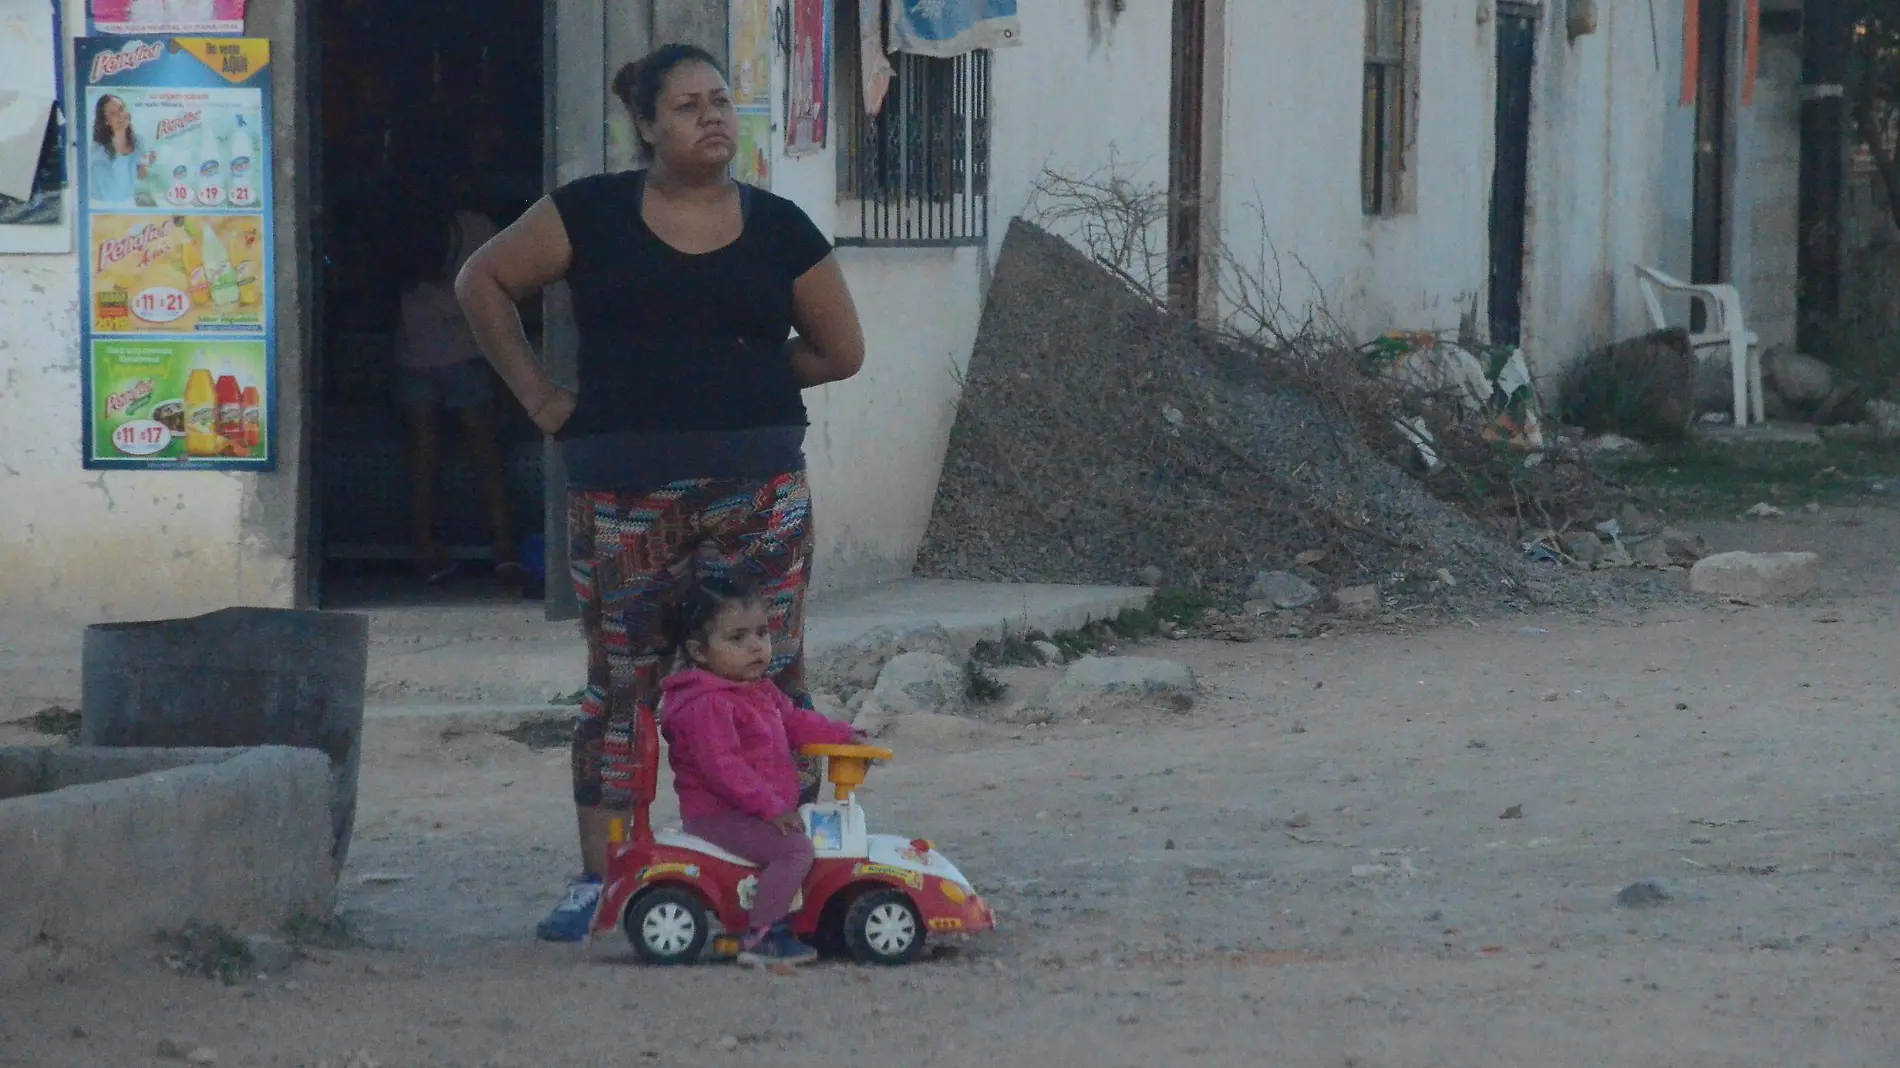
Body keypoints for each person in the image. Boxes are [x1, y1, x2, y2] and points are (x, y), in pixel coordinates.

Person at [453, 43, 866, 942]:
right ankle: (607, 881)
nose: (712, 117)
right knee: (621, 687)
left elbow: (840, 351)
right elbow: (481, 280)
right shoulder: (588, 214)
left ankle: (776, 879)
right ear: (644, 126)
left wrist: (738, 379)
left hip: (758, 491)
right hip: (621, 493)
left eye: (721, 101)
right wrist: (539, 396)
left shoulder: (781, 225)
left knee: (770, 678)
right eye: (686, 106)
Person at [659, 579, 864, 965]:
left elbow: (796, 723)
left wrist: (844, 735)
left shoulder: (758, 690)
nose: (756, 646)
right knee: (795, 850)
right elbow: (724, 769)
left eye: (761, 633)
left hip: (753, 809)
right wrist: (771, 808)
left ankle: (801, 914)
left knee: (817, 840)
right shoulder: (707, 705)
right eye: (737, 638)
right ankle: (765, 935)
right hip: (719, 815)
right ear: (698, 652)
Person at [395, 197, 524, 586]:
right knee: (487, 456)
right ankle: (503, 548)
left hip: (413, 354)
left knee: (423, 460)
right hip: (467, 355)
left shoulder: (404, 229)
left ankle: (424, 550)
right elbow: (507, 281)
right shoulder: (477, 224)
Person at [88, 95, 148, 206]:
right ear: (106, 121)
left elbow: (141, 176)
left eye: (121, 109)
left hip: (129, 205)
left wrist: (146, 165)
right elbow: (106, 194)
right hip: (103, 208)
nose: (120, 115)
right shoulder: (97, 152)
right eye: (113, 113)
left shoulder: (139, 142)